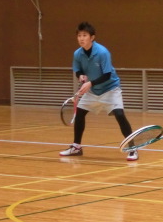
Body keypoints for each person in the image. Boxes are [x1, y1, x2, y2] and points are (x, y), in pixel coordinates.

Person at [59, 22, 138, 161]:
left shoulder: (102, 52)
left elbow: (107, 74)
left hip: (110, 89)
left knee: (119, 114)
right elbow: (78, 70)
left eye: (84, 35)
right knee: (80, 114)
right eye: (79, 35)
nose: (81, 38)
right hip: (93, 90)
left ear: (92, 37)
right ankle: (76, 147)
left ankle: (132, 148)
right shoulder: (77, 54)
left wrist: (90, 83)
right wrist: (80, 76)